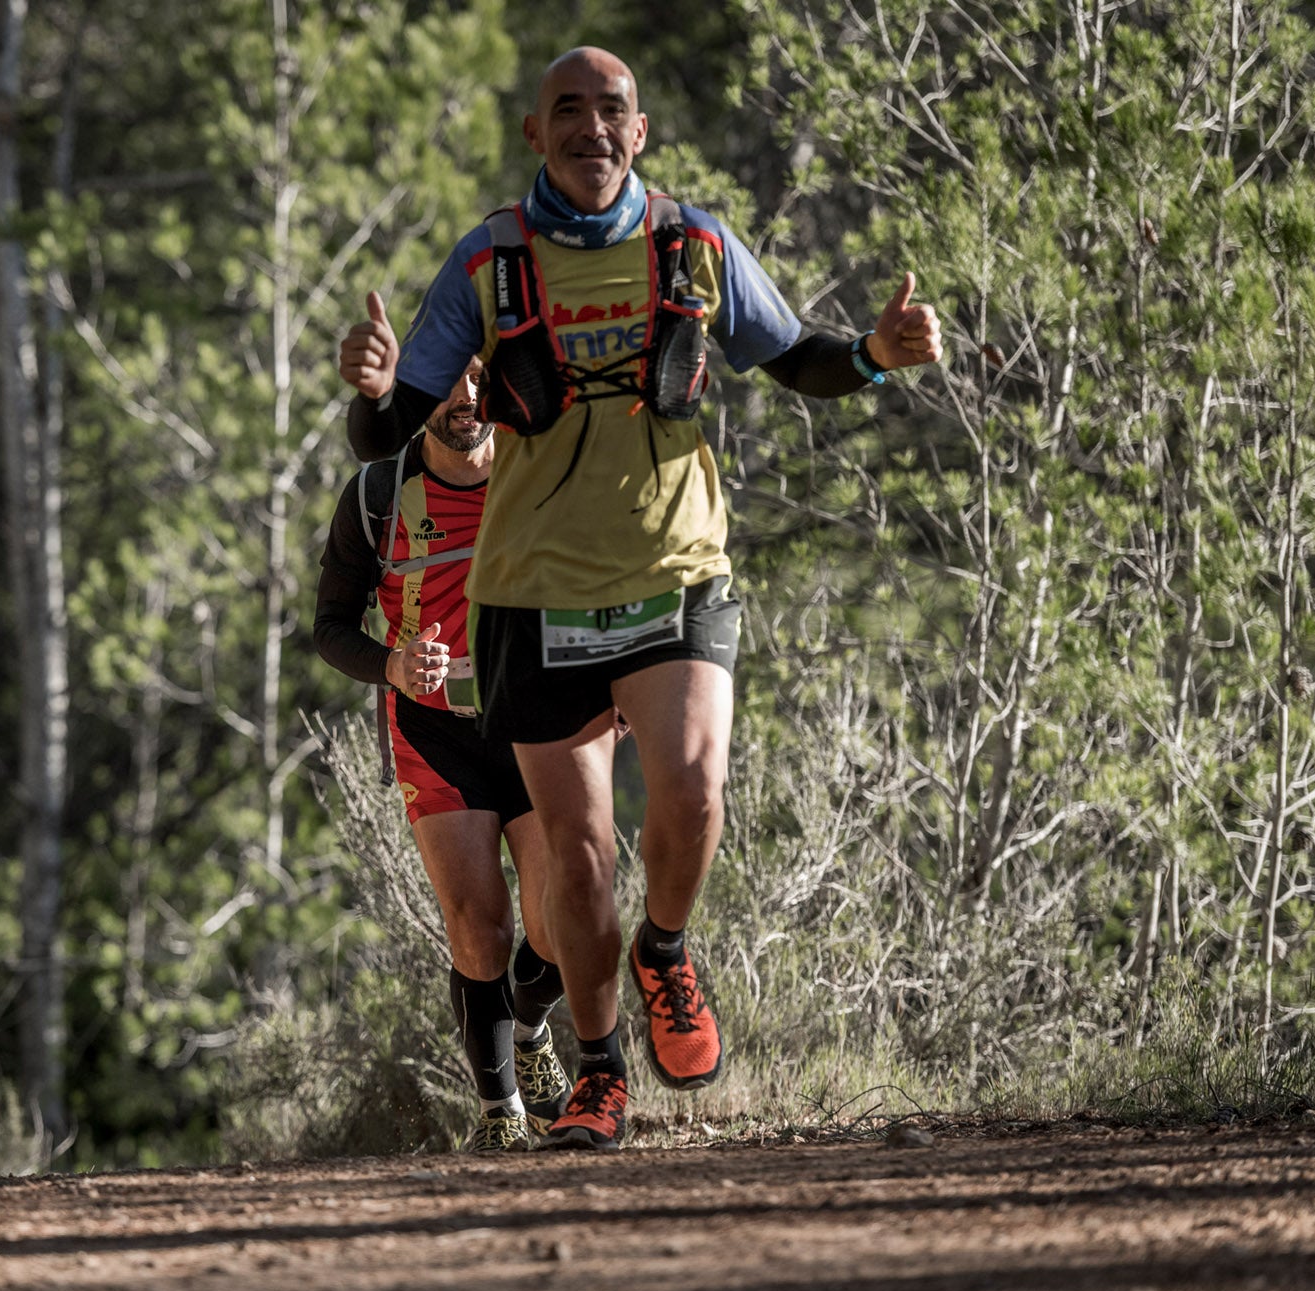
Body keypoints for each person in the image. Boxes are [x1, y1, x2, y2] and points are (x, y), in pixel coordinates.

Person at [339, 48, 942, 1151]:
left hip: (676, 568)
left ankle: (664, 949)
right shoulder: (487, 260)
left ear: (640, 130)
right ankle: (600, 1072)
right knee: (575, 859)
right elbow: (388, 435)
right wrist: (373, 391)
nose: (589, 128)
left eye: (608, 110)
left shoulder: (692, 243)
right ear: (534, 134)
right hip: (527, 591)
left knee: (695, 789)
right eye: (566, 111)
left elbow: (792, 354)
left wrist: (872, 356)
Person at [315, 359, 570, 1153]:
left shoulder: (540, 470)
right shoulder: (376, 497)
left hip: (536, 721)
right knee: (478, 928)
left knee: (565, 917)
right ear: (420, 396)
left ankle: (529, 1034)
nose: (467, 399)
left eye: (482, 379)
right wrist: (390, 663)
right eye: (449, 384)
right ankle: (502, 1114)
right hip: (434, 731)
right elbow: (329, 627)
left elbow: (597, 582)